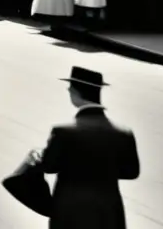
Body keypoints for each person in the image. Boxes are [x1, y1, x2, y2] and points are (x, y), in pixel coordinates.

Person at [36, 66, 139, 229]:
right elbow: (131, 172)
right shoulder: (123, 133)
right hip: (108, 213)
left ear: (75, 92)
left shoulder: (62, 132)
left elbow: (49, 167)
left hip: (70, 212)